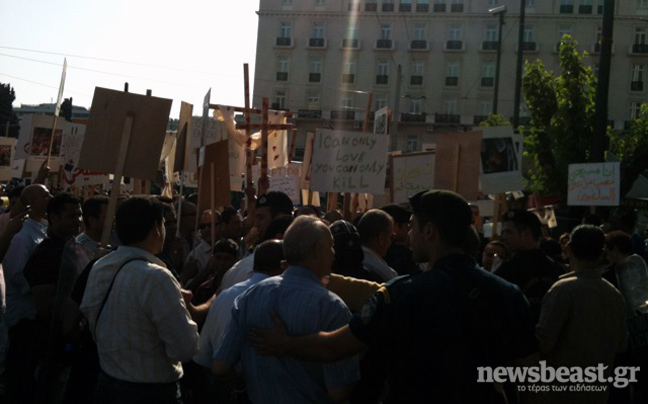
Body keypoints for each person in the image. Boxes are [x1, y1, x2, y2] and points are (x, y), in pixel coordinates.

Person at [250, 189, 538, 403]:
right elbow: (527, 371)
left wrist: (285, 343)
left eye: (412, 226)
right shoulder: (508, 295)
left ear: (429, 231)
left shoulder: (402, 294)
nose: (407, 235)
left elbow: (334, 348)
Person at [213, 216, 360, 403]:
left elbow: (220, 366)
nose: (334, 254)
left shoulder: (251, 296)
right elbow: (338, 392)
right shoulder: (332, 308)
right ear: (317, 251)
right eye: (331, 247)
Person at [80, 197, 198, 404]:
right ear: (156, 228)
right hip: (151, 393)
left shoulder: (100, 267)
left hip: (107, 382)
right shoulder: (157, 278)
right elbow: (185, 348)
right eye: (163, 222)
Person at [536, 225, 627, 403]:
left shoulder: (563, 290)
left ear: (568, 248)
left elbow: (544, 342)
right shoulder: (614, 293)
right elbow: (622, 345)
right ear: (602, 254)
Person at [22, 193, 86, 402]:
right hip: (54, 344)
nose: (78, 220)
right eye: (71, 215)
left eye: (79, 214)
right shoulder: (46, 254)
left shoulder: (73, 247)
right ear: (54, 217)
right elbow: (46, 305)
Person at [3, 183, 51, 403]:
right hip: (22, 316)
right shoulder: (21, 234)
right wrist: (41, 289)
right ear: (31, 204)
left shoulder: (43, 228)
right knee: (20, 371)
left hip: (35, 314)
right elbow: (15, 274)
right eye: (45, 195)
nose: (50, 197)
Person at [494, 209, 563, 323]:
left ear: (526, 234)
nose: (502, 237)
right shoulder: (557, 268)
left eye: (508, 232)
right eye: (503, 232)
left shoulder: (507, 271)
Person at [357, 209, 398, 282]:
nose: (390, 242)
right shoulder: (386, 274)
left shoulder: (346, 260)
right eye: (391, 237)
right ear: (381, 238)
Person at [380, 204, 419, 276]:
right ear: (394, 226)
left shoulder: (377, 251)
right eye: (408, 225)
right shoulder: (404, 257)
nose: (410, 230)